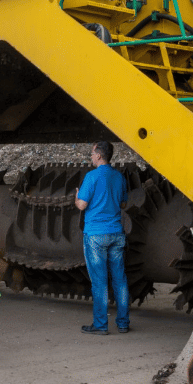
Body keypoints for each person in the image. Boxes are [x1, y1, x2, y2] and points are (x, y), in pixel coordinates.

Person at [74, 140, 130, 335]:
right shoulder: (119, 177)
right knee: (120, 280)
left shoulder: (92, 176)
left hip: (96, 235)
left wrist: (77, 196)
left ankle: (100, 325)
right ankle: (123, 323)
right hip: (116, 233)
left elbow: (82, 205)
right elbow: (123, 204)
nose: (91, 156)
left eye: (92, 153)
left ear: (98, 155)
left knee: (99, 282)